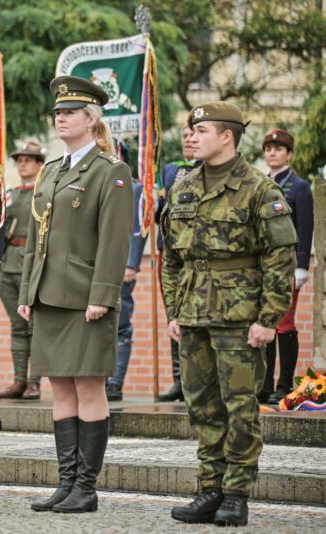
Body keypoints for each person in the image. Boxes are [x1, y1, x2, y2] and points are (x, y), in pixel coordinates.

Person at [162, 102, 296, 526]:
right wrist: (173, 310)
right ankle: (210, 488)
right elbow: (172, 258)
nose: (192, 136)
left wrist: (268, 319)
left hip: (240, 316)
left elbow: (279, 258)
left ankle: (236, 493)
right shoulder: (183, 187)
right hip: (193, 314)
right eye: (191, 130)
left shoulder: (258, 189)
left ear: (227, 136)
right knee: (202, 406)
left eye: (201, 130)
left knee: (239, 407)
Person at [17, 76, 134, 514]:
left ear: (90, 119)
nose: (61, 118)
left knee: (88, 387)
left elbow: (114, 239)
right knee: (60, 389)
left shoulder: (110, 170)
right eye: (58, 113)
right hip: (49, 296)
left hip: (86, 298)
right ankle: (66, 484)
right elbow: (37, 238)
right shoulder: (51, 171)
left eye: (70, 112)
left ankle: (86, 487)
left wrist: (103, 294)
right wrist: (27, 290)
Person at [258, 129, 313, 405]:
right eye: (269, 149)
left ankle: (284, 384)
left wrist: (301, 264)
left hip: (287, 265)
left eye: (279, 149)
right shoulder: (259, 184)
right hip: (262, 266)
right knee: (265, 321)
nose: (272, 153)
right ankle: (265, 385)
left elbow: (305, 225)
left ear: (289, 154)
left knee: (284, 323)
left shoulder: (299, 187)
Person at [0, 139, 45, 400]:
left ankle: (34, 382)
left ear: (39, 164)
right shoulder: (10, 194)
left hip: (33, 263)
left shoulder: (44, 193)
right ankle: (19, 380)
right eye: (20, 160)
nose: (22, 164)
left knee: (35, 327)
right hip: (10, 263)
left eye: (28, 160)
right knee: (17, 326)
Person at [157, 126, 199, 402]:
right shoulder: (171, 169)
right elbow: (159, 212)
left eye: (193, 135)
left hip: (193, 251)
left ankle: (196, 380)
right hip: (169, 250)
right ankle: (178, 379)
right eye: (184, 136)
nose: (188, 140)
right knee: (173, 313)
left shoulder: (208, 170)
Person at [105, 142, 148, 402]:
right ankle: (102, 378)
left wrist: (131, 264)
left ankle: (115, 382)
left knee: (120, 326)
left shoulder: (133, 188)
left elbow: (137, 226)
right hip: (98, 266)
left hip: (121, 266)